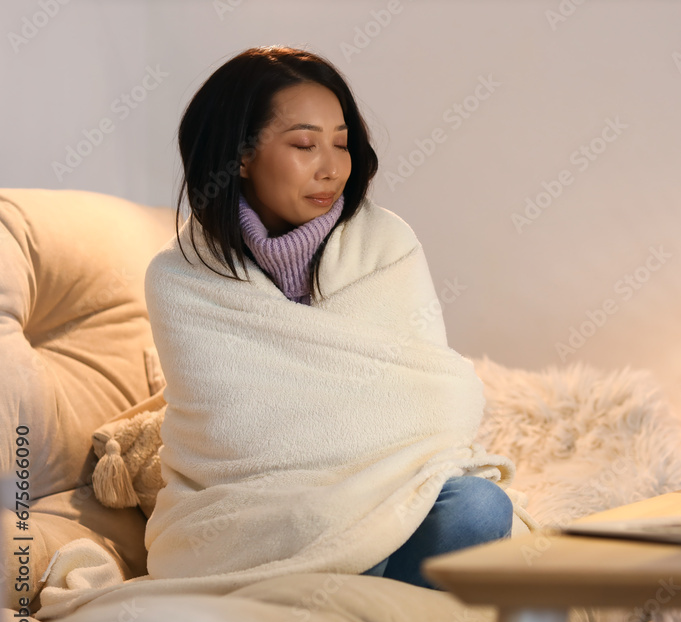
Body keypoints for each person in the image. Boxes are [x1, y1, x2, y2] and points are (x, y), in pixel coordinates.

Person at [158, 45, 514, 590]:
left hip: (390, 486)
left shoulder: (387, 243)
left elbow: (433, 401)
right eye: (304, 144)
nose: (331, 168)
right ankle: (359, 592)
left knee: (478, 508)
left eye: (342, 144)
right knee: (320, 526)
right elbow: (231, 432)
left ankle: (357, 594)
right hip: (255, 509)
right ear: (241, 156)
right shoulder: (180, 278)